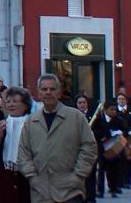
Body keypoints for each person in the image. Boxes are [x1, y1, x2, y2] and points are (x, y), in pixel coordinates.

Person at [17, 73, 98, 203]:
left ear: (59, 92)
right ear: (38, 93)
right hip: (40, 193)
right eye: (44, 89)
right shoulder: (31, 121)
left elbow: (89, 147)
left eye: (52, 89)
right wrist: (32, 177)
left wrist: (78, 175)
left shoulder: (76, 117)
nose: (48, 92)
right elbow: (23, 154)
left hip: (70, 192)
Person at [0, 86, 34, 203]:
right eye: (8, 102)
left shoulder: (34, 126)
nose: (11, 104)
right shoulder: (0, 126)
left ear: (26, 105)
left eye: (15, 101)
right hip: (5, 182)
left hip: (27, 181)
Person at [92, 101, 126, 198]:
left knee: (113, 169)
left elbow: (124, 129)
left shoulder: (118, 120)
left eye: (115, 109)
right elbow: (94, 131)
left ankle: (113, 188)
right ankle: (100, 190)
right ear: (105, 110)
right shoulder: (99, 120)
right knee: (101, 169)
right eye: (111, 109)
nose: (114, 112)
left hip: (114, 148)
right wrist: (103, 135)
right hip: (102, 147)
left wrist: (120, 132)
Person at [74, 94, 98, 201]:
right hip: (77, 150)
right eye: (80, 103)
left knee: (91, 174)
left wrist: (91, 132)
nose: (82, 105)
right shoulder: (72, 116)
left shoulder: (94, 116)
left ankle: (91, 197)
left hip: (91, 150)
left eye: (84, 102)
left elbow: (101, 130)